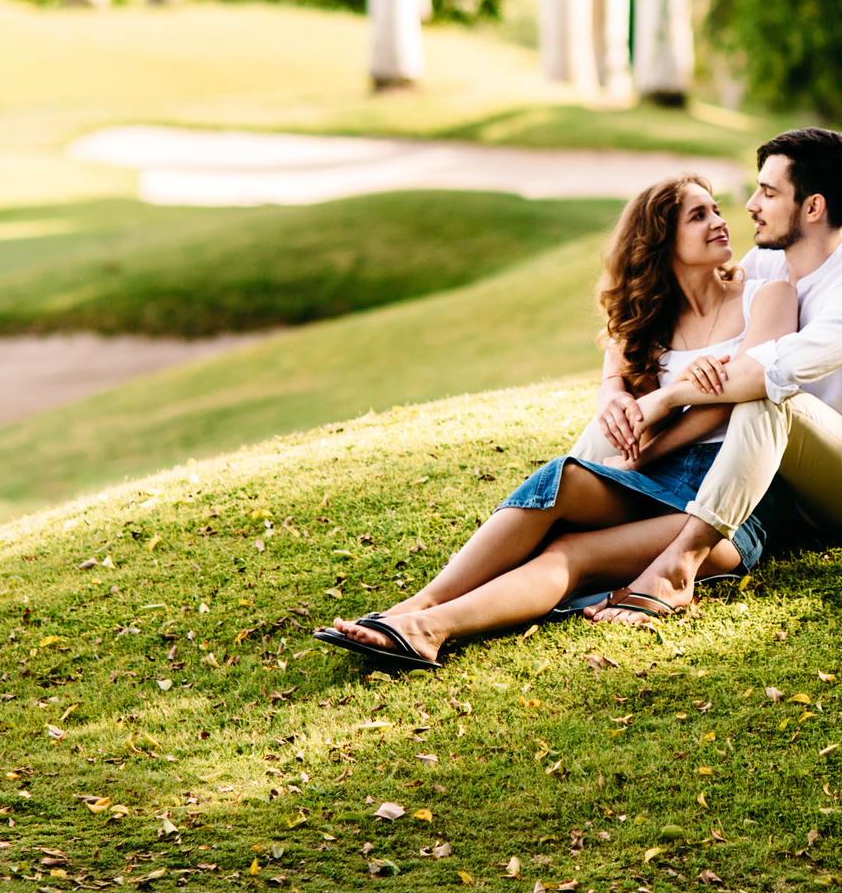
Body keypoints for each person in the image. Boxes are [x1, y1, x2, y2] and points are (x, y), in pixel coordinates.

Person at [315, 174, 796, 669]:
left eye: (715, 210)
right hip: (657, 479)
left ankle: (427, 629)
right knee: (561, 477)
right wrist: (622, 398)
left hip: (728, 501)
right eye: (699, 216)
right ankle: (415, 606)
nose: (720, 222)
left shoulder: (767, 297)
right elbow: (615, 380)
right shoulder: (649, 321)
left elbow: (743, 396)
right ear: (660, 242)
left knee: (570, 553)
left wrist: (651, 441)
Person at [581, 127, 842, 625]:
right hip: (778, 480)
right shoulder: (766, 262)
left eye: (768, 192)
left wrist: (667, 400)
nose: (749, 204)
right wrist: (612, 388)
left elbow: (766, 372)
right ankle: (570, 501)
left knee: (770, 397)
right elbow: (661, 307)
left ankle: (678, 567)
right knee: (615, 421)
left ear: (812, 208)